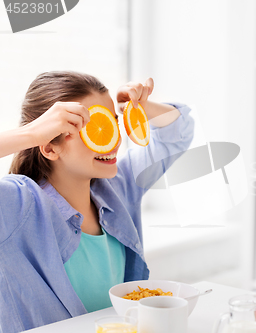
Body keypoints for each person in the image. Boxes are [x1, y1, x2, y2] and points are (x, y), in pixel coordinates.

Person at [0, 71, 194, 333]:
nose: (113, 140)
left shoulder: (118, 188)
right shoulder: (18, 205)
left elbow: (178, 133)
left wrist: (141, 108)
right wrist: (31, 134)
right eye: (95, 128)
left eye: (112, 123)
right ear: (49, 147)